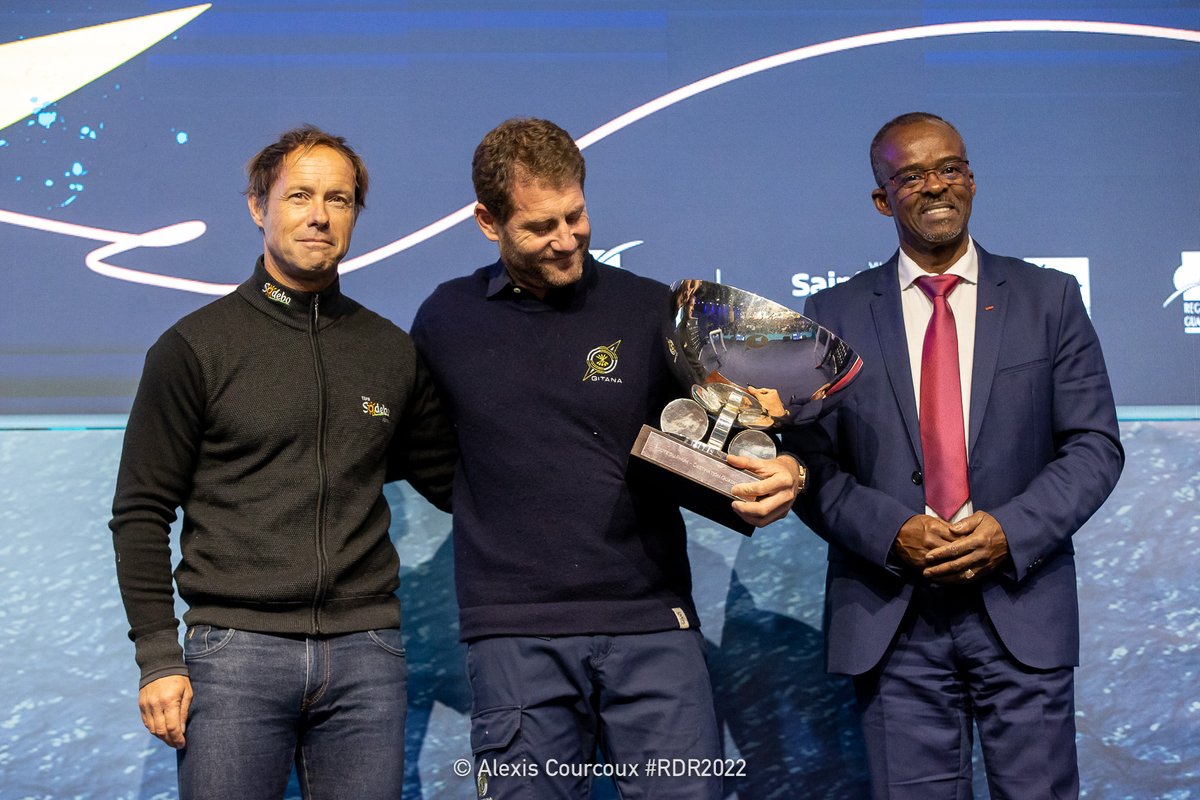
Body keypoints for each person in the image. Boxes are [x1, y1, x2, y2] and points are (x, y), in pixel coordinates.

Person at [410, 117, 804, 799]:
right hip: (515, 634)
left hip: (653, 625)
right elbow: (430, 456)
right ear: (486, 221)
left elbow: (731, 444)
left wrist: (784, 469)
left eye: (576, 215)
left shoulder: (655, 310)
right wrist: (501, 501)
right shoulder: (446, 320)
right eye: (540, 227)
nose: (566, 239)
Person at [109, 125, 456, 800]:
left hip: (367, 657)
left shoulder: (390, 353)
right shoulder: (193, 348)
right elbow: (141, 512)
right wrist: (157, 658)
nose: (319, 214)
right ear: (257, 206)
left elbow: (457, 483)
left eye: (339, 198)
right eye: (299, 195)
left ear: (356, 213)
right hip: (233, 657)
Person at [787, 112, 1124, 798]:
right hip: (893, 615)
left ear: (972, 180)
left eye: (950, 168)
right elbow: (808, 465)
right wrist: (891, 532)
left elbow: (1093, 445)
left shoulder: (1048, 298)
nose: (935, 185)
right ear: (883, 198)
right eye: (911, 175)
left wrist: (1010, 530)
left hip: (1020, 603)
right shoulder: (833, 313)